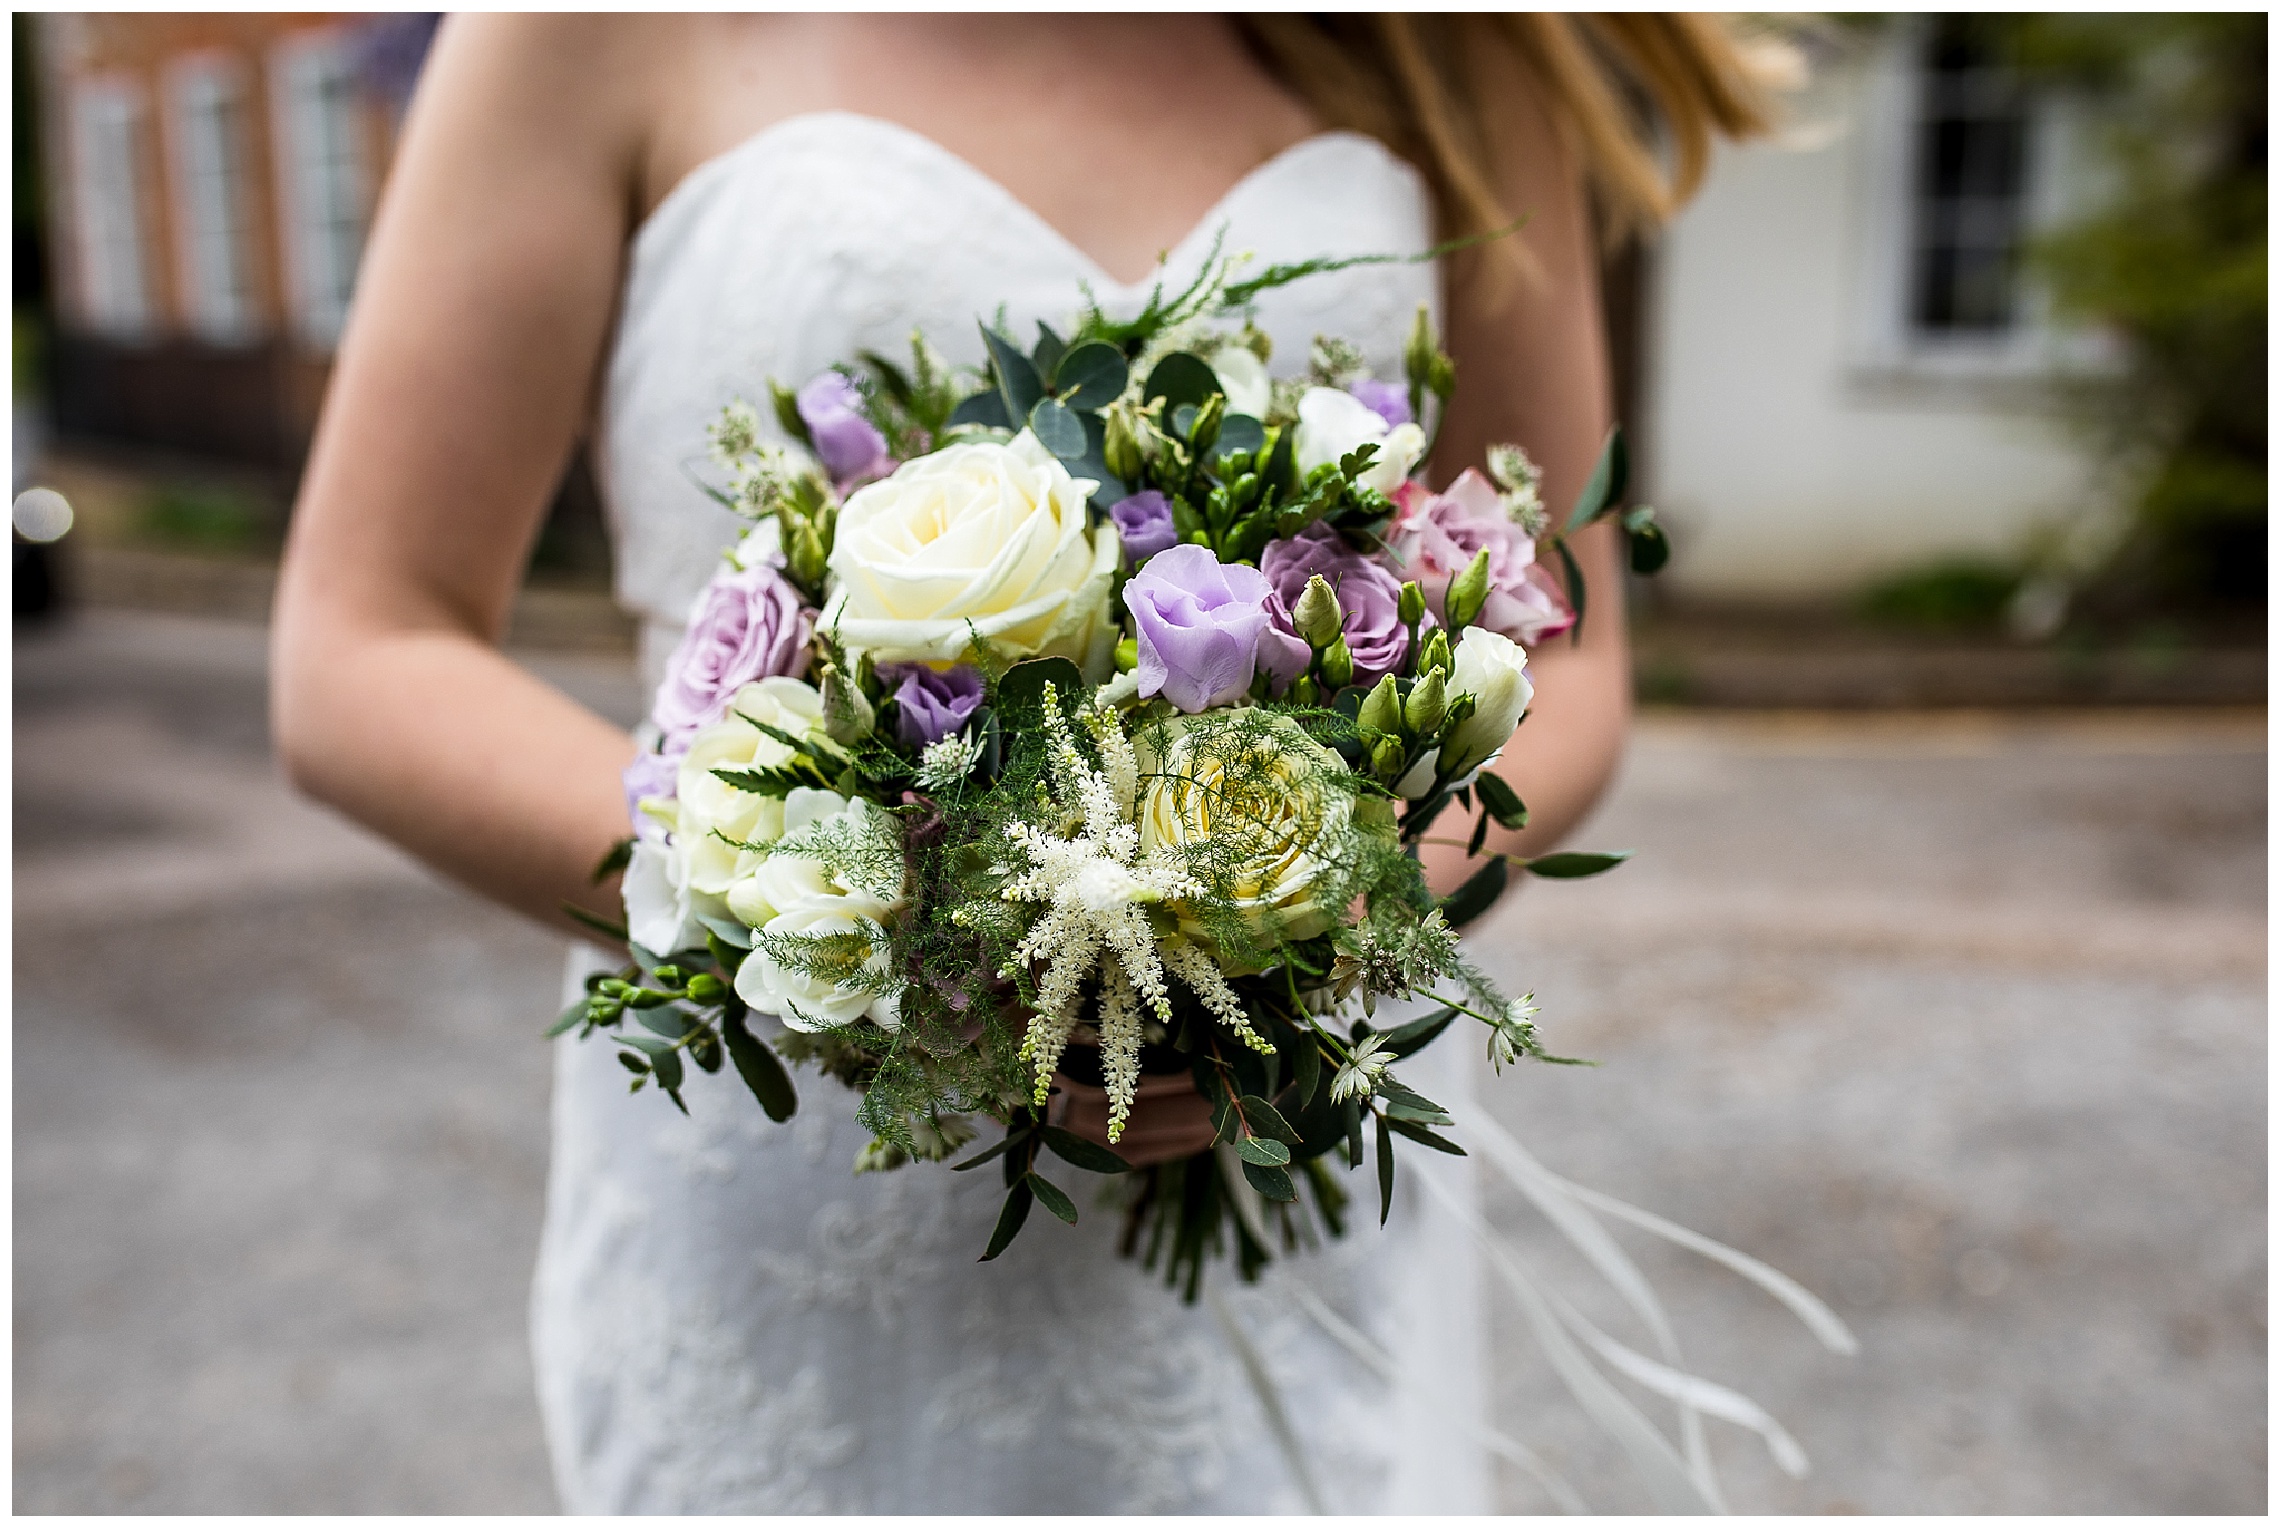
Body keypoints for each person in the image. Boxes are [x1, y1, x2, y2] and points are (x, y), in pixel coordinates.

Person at [272, 15, 1772, 1511]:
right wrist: (878, 939)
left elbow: (1561, 645)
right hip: (802, 1171)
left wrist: (1287, 935)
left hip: (1273, 1175)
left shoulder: (1455, 46)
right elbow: (365, 649)